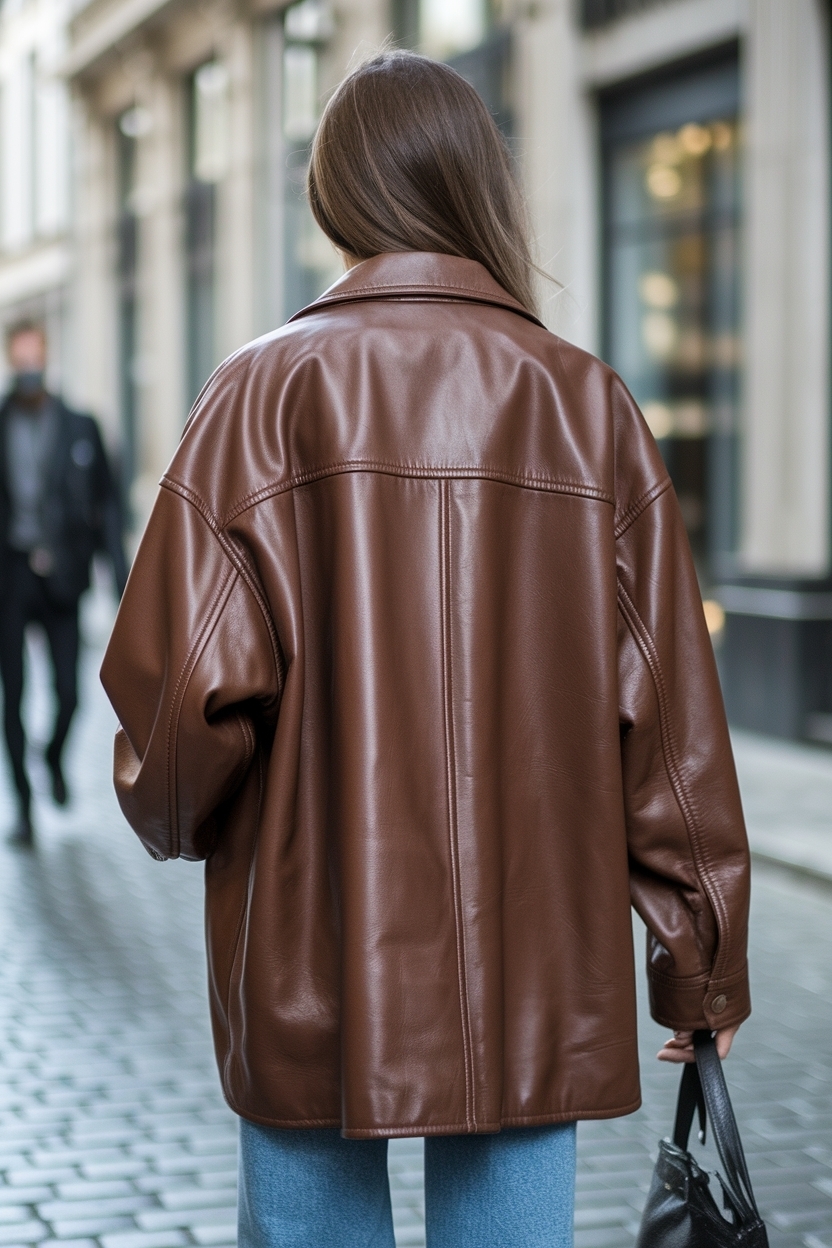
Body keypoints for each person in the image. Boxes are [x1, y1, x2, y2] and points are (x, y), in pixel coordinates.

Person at [101, 51, 751, 1248]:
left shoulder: (256, 395)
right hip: (533, 962)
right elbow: (668, 720)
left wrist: (178, 817)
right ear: (476, 186)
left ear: (334, 192)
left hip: (304, 947)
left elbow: (181, 701)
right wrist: (698, 964)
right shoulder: (586, 404)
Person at [1, 320, 127, 846]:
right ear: (11, 360)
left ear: (47, 358)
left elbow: (109, 506)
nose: (28, 366)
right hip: (9, 579)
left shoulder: (80, 426)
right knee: (14, 696)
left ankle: (52, 757)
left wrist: (118, 576)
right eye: (19, 357)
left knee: (71, 695)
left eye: (35, 356)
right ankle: (25, 809)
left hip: (64, 580)